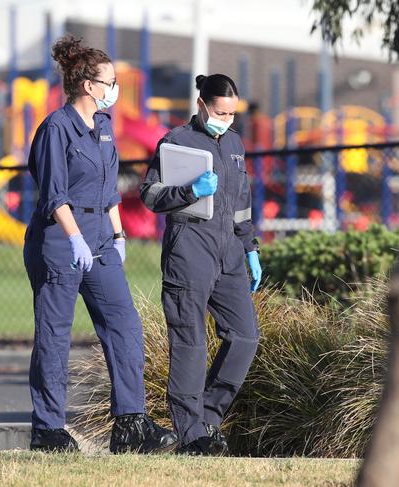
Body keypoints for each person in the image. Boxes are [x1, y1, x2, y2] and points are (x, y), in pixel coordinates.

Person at [23, 34, 176, 454]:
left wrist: (118, 234)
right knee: (54, 335)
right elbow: (55, 195)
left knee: (124, 324)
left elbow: (109, 190)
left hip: (102, 237)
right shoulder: (57, 128)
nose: (115, 90)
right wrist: (75, 238)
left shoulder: (105, 127)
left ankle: (130, 424)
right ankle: (48, 428)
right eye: (110, 82)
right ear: (89, 85)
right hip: (60, 239)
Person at [140, 74, 262, 455]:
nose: (225, 120)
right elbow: (150, 194)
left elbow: (241, 203)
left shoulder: (236, 143)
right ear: (202, 105)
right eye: (220, 112)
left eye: (231, 114)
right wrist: (190, 191)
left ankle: (207, 418)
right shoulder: (175, 142)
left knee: (245, 336)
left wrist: (250, 248)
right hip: (188, 251)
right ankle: (191, 435)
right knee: (190, 342)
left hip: (229, 256)